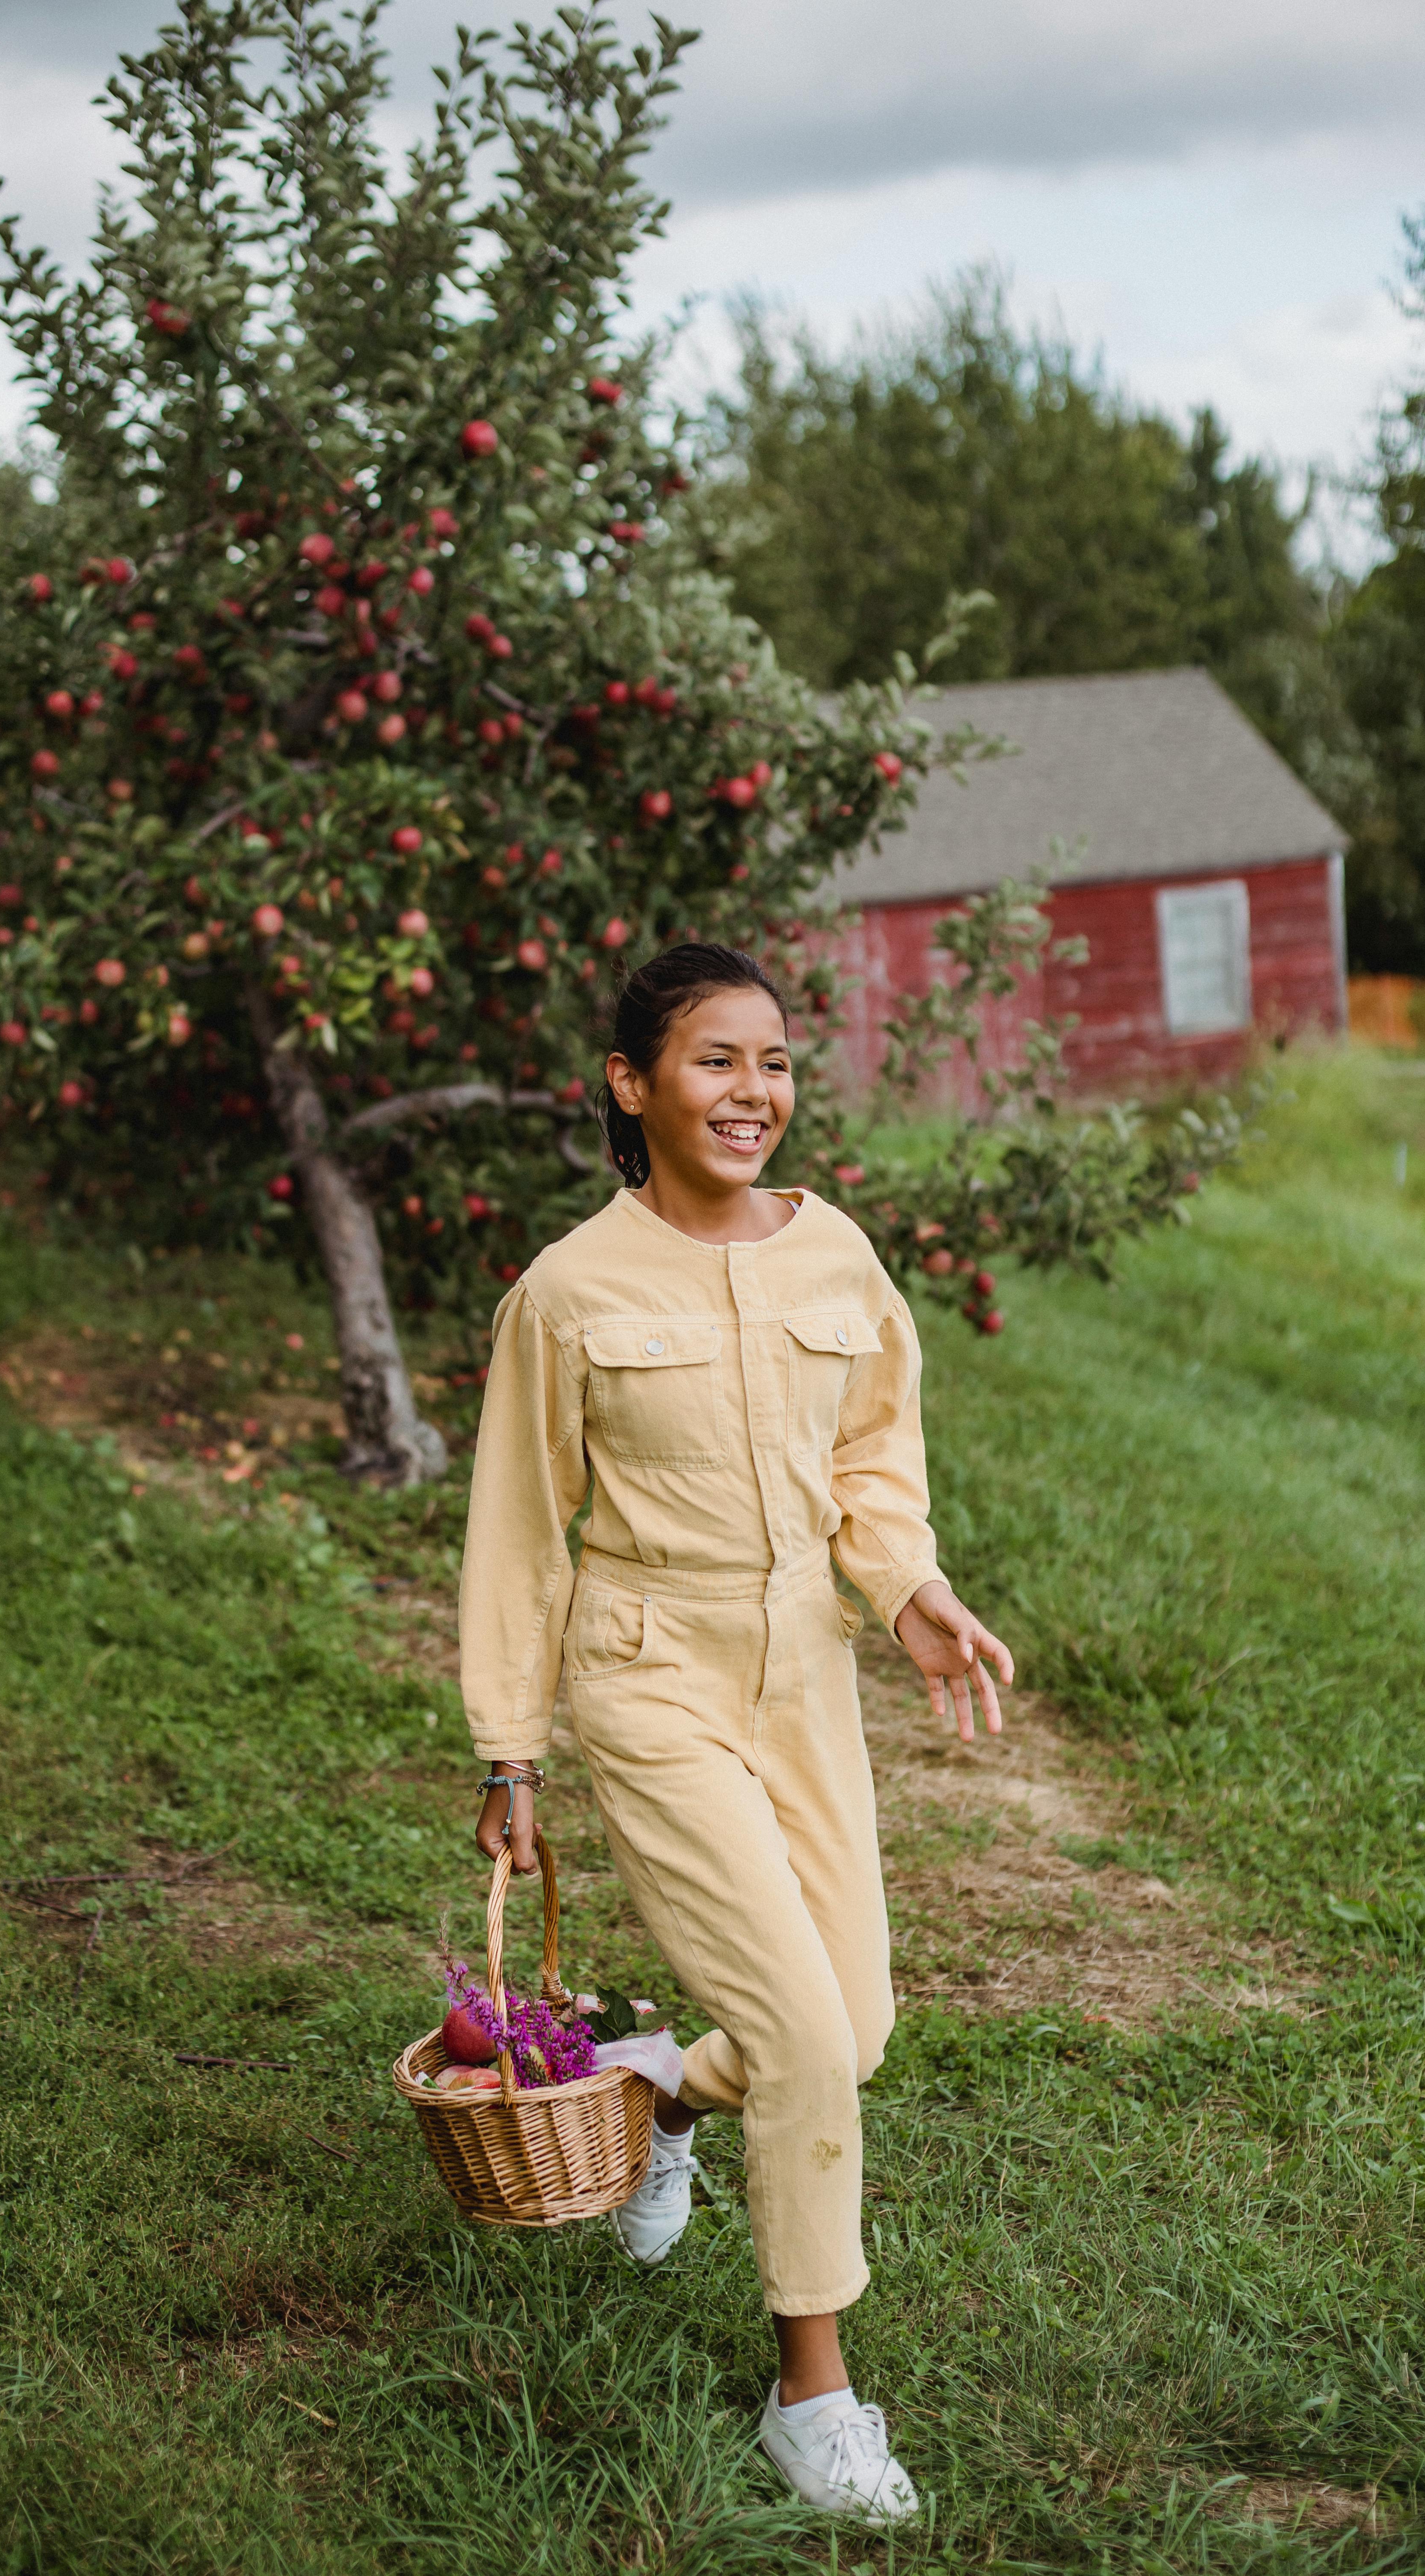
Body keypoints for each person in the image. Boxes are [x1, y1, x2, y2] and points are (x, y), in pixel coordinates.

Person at [458, 942, 1012, 2528]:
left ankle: (656, 2096)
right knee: (806, 2032)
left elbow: (874, 1462)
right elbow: (519, 1531)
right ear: (633, 1086)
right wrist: (512, 1748)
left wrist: (907, 1587)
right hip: (650, 1675)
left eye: (772, 1061)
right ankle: (812, 2395)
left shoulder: (838, 1257)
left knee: (861, 2027)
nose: (753, 1091)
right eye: (715, 1061)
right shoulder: (567, 1293)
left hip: (806, 1675)